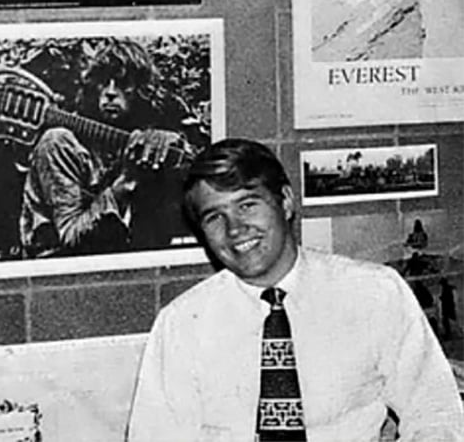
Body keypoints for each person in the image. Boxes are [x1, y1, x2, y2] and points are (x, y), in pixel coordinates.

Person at [127, 138, 464, 441]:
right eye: (215, 217)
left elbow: (436, 413)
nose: (235, 229)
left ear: (285, 202)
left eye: (247, 205)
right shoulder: (182, 324)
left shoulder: (374, 293)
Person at [19, 39, 205, 259]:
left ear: (142, 91)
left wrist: (174, 143)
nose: (110, 93)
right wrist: (126, 181)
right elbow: (70, 238)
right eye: (102, 83)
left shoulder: (142, 138)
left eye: (122, 84)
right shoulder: (60, 143)